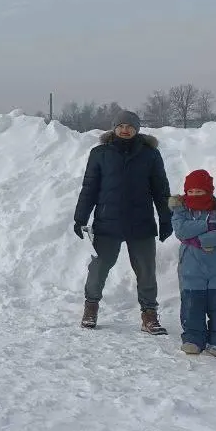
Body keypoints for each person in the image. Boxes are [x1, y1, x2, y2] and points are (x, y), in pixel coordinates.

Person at [73, 110, 173, 334]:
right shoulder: (99, 153)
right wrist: (80, 217)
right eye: (120, 126)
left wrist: (166, 219)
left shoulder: (150, 154)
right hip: (108, 223)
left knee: (146, 271)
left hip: (141, 223)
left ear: (137, 129)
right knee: (98, 268)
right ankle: (91, 308)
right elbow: (89, 188)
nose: (125, 130)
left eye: (129, 126)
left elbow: (161, 189)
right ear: (114, 128)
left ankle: (149, 315)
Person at [170, 169, 216, 356]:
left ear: (208, 191)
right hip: (191, 266)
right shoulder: (181, 210)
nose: (194, 195)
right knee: (192, 304)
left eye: (199, 192)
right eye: (190, 192)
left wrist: (198, 240)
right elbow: (181, 231)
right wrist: (208, 225)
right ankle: (193, 338)